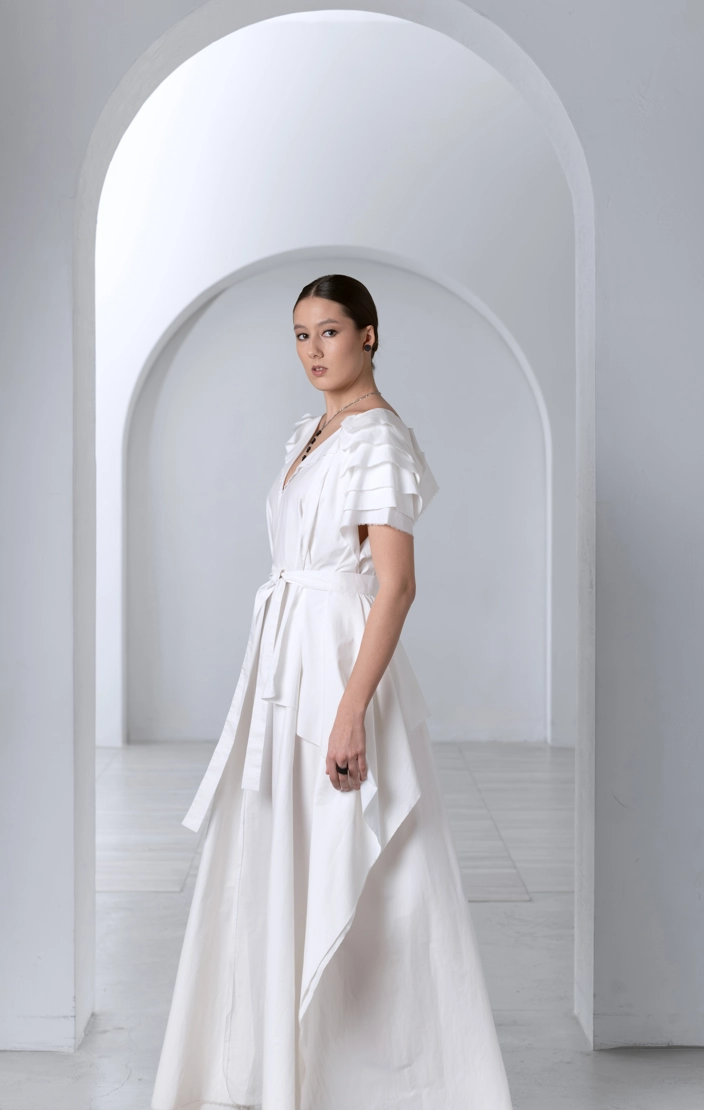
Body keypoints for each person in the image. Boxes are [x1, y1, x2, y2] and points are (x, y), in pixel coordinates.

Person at [150, 274, 514, 1110]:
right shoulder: (311, 433)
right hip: (285, 662)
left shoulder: (376, 437)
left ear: (369, 336)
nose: (313, 351)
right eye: (301, 335)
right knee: (278, 854)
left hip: (339, 668)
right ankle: (282, 1069)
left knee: (374, 874)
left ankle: (393, 1083)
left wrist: (350, 711)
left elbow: (397, 586)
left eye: (330, 332)